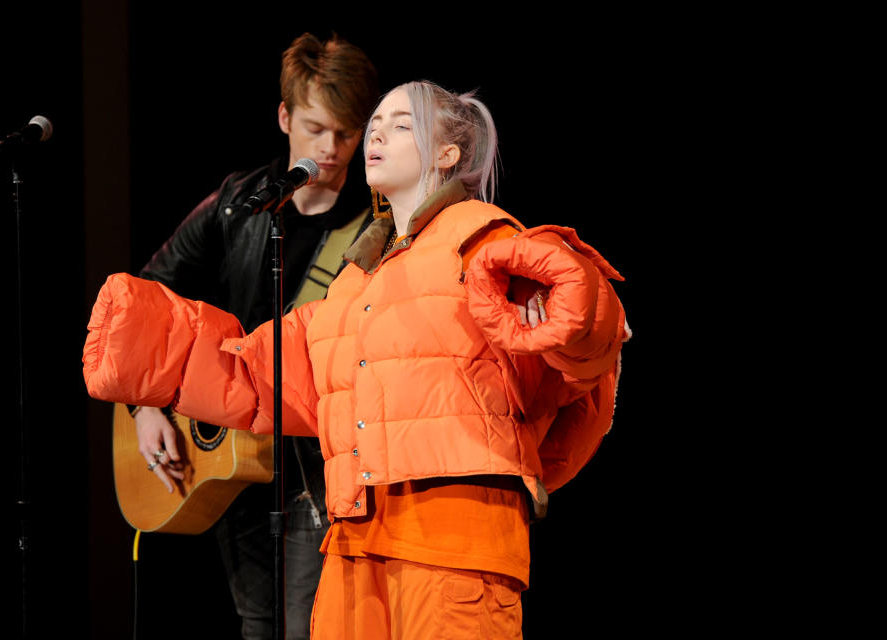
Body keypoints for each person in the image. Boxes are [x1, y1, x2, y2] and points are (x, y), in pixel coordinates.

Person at [85, 80, 630, 639]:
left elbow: (588, 337)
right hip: (354, 539)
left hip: (452, 540)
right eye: (375, 124)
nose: (376, 134)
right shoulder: (355, 280)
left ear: (447, 154)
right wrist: (137, 340)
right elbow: (263, 374)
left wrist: (565, 302)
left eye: (399, 125)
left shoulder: (482, 240)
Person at [127, 33, 378, 640]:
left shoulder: (374, 222)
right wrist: (145, 403)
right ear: (284, 116)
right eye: (317, 128)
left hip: (317, 467)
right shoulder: (239, 203)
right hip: (235, 466)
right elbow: (144, 296)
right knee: (257, 625)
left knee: (305, 625)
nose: (332, 148)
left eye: (347, 132)